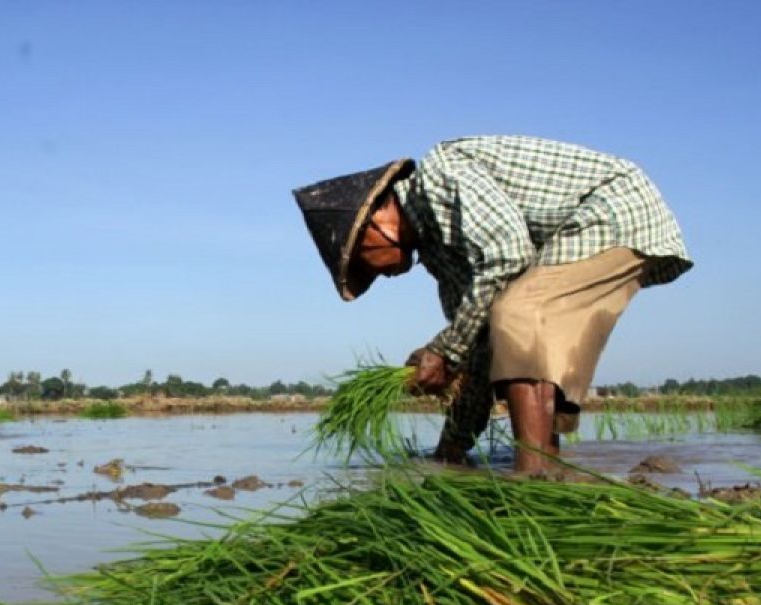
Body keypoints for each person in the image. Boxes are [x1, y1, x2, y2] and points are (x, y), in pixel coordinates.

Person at [294, 136, 691, 472]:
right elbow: (480, 351)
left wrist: (442, 350)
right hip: (585, 229)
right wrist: (450, 451)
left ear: (377, 220)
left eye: (365, 262)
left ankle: (532, 479)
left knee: (518, 311)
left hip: (615, 210)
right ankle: (546, 470)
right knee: (508, 327)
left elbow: (509, 254)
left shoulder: (440, 175)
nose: (380, 274)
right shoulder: (441, 254)